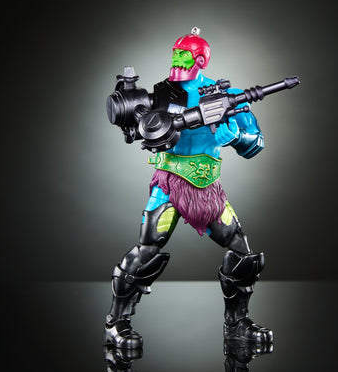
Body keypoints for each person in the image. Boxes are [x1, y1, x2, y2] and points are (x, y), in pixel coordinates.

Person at [104, 27, 273, 349]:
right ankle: (116, 324)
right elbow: (137, 128)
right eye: (175, 53)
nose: (177, 59)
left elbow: (256, 145)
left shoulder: (229, 96)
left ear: (200, 60)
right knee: (147, 251)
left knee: (242, 253)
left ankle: (237, 325)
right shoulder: (161, 94)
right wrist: (140, 114)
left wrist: (234, 135)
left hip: (208, 188)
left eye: (184, 54)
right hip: (169, 184)